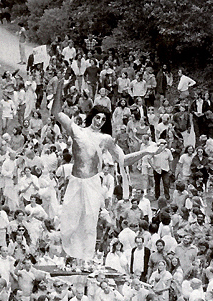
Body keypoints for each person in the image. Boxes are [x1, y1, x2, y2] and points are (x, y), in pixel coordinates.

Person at [52, 79, 157, 260]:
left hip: (93, 183)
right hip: (76, 181)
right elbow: (56, 112)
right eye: (97, 117)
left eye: (103, 119)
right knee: (69, 221)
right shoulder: (77, 131)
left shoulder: (105, 139)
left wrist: (145, 151)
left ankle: (86, 258)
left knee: (89, 222)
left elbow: (123, 160)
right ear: (91, 116)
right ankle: (66, 256)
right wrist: (60, 84)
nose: (99, 121)